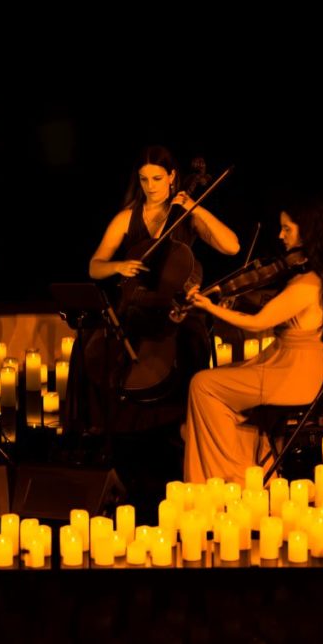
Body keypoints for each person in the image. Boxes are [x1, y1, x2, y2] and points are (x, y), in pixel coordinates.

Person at [181, 195, 323, 484]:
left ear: (306, 230)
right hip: (291, 364)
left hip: (293, 375)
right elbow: (271, 307)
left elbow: (258, 322)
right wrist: (231, 302)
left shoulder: (308, 283)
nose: (280, 235)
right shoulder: (313, 274)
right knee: (214, 380)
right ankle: (244, 467)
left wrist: (209, 306)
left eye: (287, 229)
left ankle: (230, 475)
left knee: (202, 385)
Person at [78, 145, 240, 434]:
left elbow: (232, 246)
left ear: (172, 177)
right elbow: (95, 265)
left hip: (176, 308)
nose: (150, 186)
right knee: (92, 343)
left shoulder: (187, 215)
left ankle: (182, 424)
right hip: (135, 305)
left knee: (192, 339)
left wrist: (195, 206)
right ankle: (108, 427)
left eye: (156, 178)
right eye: (143, 179)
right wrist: (118, 266)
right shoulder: (127, 217)